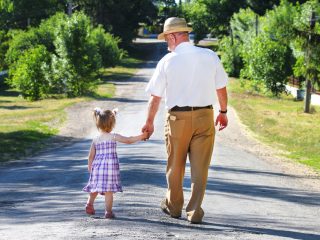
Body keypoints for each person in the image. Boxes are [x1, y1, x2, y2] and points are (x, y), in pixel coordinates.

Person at [142, 17, 228, 224]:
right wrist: (223, 111)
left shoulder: (167, 61)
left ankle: (174, 207)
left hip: (177, 119)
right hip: (205, 116)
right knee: (201, 168)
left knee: (175, 165)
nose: (166, 43)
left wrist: (149, 122)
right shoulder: (209, 55)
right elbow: (221, 87)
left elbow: (155, 97)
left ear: (172, 36)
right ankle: (195, 211)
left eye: (166, 38)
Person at [83, 107, 147, 219]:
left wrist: (90, 168)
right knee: (108, 191)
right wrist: (142, 136)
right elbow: (128, 140)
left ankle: (90, 204)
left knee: (95, 187)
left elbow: (90, 156)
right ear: (112, 123)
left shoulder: (96, 139)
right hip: (109, 169)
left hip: (97, 168)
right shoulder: (113, 136)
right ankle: (108, 212)